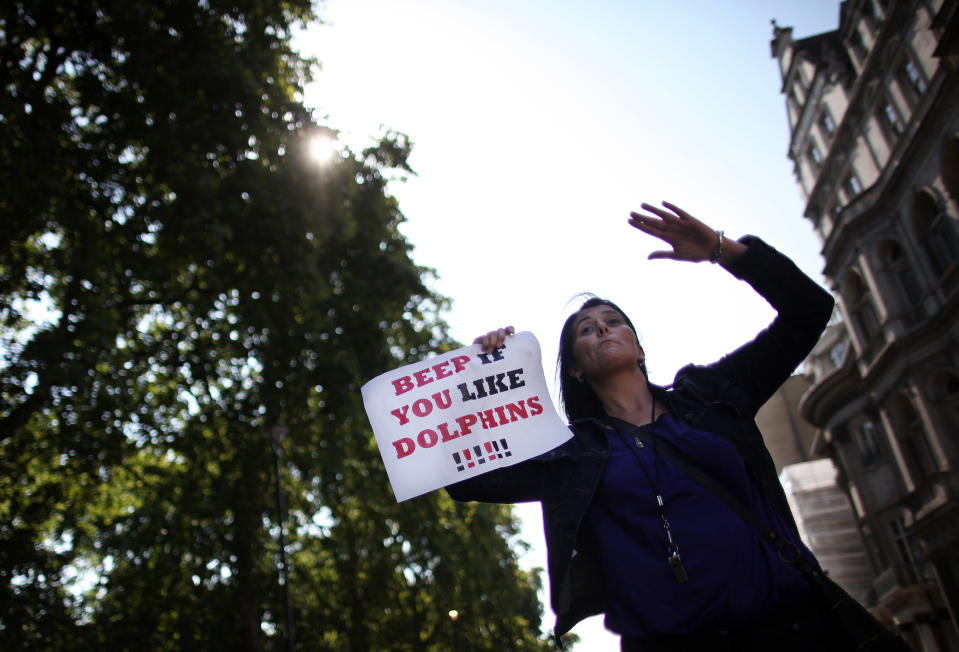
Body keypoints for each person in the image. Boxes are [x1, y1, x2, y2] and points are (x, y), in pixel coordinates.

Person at [447, 201, 840, 651]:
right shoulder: (570, 455)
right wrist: (480, 374)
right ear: (575, 368)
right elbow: (463, 477)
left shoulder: (711, 395)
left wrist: (720, 249)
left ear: (638, 347)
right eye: (586, 330)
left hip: (790, 629)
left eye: (614, 322)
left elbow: (810, 309)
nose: (602, 329)